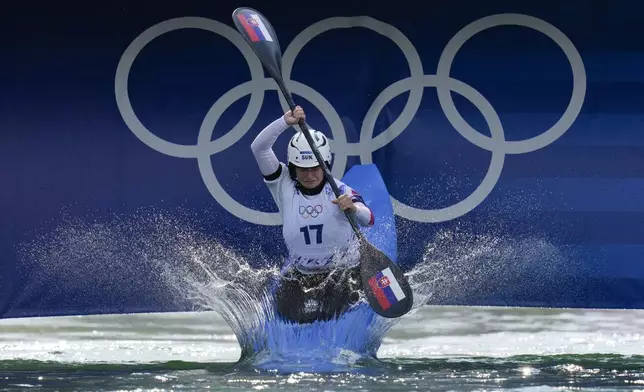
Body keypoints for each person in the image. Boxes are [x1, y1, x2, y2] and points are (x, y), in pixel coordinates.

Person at [250, 106, 375, 324]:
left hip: (342, 274)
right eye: (302, 168)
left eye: (315, 168)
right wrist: (284, 122)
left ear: (325, 164)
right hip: (300, 274)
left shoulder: (339, 190)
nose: (309, 175)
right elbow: (259, 148)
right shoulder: (282, 184)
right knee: (285, 314)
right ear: (292, 167)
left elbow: (369, 219)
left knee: (330, 313)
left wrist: (354, 209)